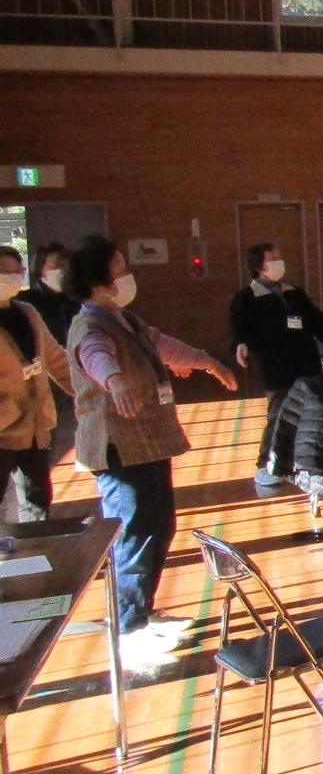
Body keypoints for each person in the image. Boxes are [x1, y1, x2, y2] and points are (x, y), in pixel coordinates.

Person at [65, 236, 238, 668]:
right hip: (120, 447)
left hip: (147, 442)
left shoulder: (123, 318)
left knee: (158, 525)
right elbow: (96, 357)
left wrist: (208, 362)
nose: (128, 276)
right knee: (134, 528)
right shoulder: (91, 326)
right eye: (120, 269)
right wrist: (117, 381)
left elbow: (162, 343)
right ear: (99, 282)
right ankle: (128, 628)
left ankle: (143, 610)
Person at [227, 242, 323, 487]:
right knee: (279, 416)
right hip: (277, 370)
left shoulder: (294, 294)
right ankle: (265, 465)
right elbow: (237, 328)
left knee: (312, 416)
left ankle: (306, 463)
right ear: (259, 266)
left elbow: (320, 323)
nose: (279, 261)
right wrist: (239, 345)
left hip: (307, 366)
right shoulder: (246, 298)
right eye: (273, 258)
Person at [0, 246, 73, 520]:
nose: (10, 276)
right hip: (3, 429)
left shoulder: (27, 312)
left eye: (15, 271)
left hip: (35, 426)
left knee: (37, 500)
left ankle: (35, 554)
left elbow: (55, 358)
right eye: (2, 271)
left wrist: (89, 392)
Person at [20, 242, 79, 343]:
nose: (62, 270)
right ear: (40, 268)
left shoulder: (77, 299)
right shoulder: (25, 301)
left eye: (66, 266)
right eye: (56, 266)